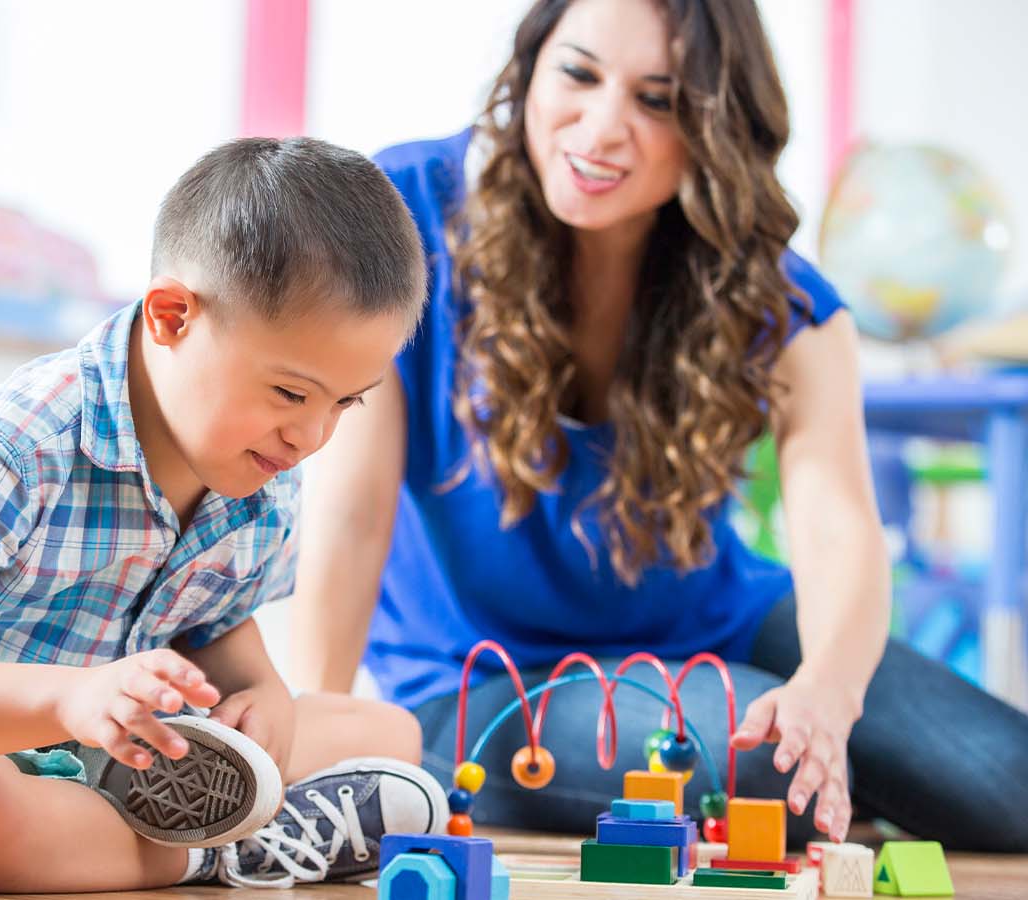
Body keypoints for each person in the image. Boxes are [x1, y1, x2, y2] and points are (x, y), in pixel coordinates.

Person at [291, 0, 1028, 852]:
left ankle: (832, 773)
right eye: (577, 74)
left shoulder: (777, 296)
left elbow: (837, 524)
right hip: (477, 674)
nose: (602, 130)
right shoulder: (408, 215)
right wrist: (324, 733)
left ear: (716, 128)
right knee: (764, 767)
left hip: (715, 623)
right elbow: (349, 515)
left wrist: (828, 690)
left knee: (1007, 784)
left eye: (659, 100)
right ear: (531, 67)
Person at [0, 136, 450, 894]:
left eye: (347, 401)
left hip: (133, 751)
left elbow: (218, 627)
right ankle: (224, 855)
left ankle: (159, 833)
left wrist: (262, 697)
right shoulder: (4, 451)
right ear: (172, 316)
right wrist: (69, 698)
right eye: (291, 394)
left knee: (391, 733)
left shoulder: (261, 468)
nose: (312, 436)